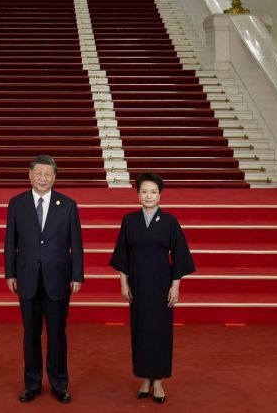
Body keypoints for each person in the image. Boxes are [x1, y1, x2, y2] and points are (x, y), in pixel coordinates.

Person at [109, 172, 195, 405]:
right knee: (140, 330)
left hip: (161, 283)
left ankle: (158, 381)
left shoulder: (169, 222)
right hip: (136, 283)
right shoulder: (129, 221)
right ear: (138, 195)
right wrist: (123, 282)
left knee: (159, 331)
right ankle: (144, 378)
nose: (149, 195)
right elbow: (121, 254)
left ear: (160, 195)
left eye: (153, 192)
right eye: (144, 191)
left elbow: (180, 255)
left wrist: (175, 286)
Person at [4, 155, 84, 404]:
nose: (42, 178)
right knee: (31, 334)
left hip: (58, 279)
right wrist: (10, 273)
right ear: (29, 175)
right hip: (27, 278)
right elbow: (10, 243)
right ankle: (32, 383)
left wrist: (77, 275)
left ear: (54, 177)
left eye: (48, 174)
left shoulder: (68, 205)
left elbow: (76, 244)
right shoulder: (16, 203)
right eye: (38, 173)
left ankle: (60, 384)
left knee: (58, 334)